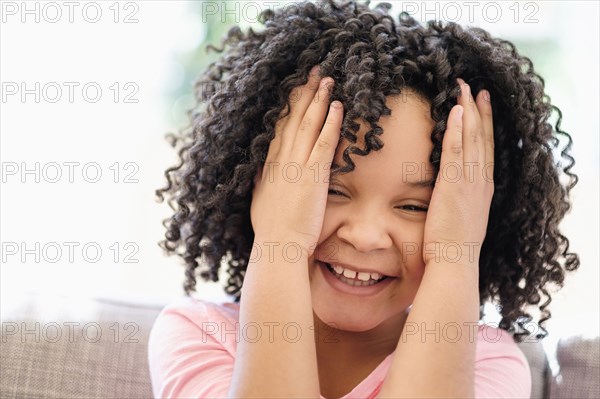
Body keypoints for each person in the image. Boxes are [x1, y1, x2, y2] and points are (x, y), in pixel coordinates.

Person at [149, 0, 580, 397]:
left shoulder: (484, 362)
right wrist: (279, 244)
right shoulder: (198, 334)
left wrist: (455, 257)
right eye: (331, 189)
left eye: (414, 206)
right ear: (259, 189)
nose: (366, 236)